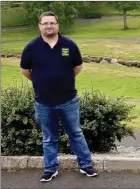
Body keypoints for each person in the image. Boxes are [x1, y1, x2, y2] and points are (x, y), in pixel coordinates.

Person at [20, 11, 98, 182]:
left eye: (52, 23)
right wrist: (41, 81)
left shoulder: (69, 45)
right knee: (49, 138)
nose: (49, 26)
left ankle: (86, 165)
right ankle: (50, 169)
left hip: (68, 101)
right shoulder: (31, 47)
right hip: (43, 102)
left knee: (76, 133)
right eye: (45, 23)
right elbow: (25, 71)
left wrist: (64, 80)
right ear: (39, 26)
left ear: (57, 25)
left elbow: (77, 66)